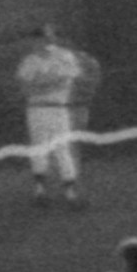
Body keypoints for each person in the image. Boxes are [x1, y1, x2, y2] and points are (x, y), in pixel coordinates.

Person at [17, 27, 99, 202]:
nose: (45, 42)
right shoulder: (30, 60)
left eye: (48, 38)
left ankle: (70, 192)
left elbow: (66, 81)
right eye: (40, 38)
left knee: (62, 148)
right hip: (36, 108)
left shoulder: (65, 56)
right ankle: (40, 190)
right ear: (35, 40)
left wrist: (39, 83)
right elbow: (25, 88)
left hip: (58, 108)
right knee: (39, 148)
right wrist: (48, 82)